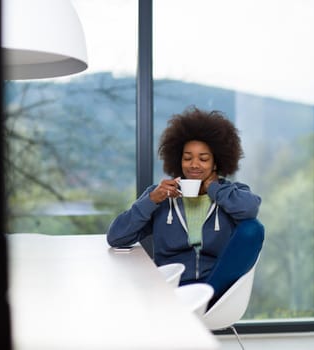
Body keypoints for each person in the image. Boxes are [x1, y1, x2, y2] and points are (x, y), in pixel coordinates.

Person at [106, 107, 264, 305]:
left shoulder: (231, 193)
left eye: (203, 159)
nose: (194, 165)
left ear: (216, 163)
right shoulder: (161, 195)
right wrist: (151, 201)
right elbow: (116, 237)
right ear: (178, 160)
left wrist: (215, 189)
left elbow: (250, 210)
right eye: (187, 158)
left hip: (217, 289)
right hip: (172, 289)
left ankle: (205, 296)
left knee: (253, 228)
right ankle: (195, 303)